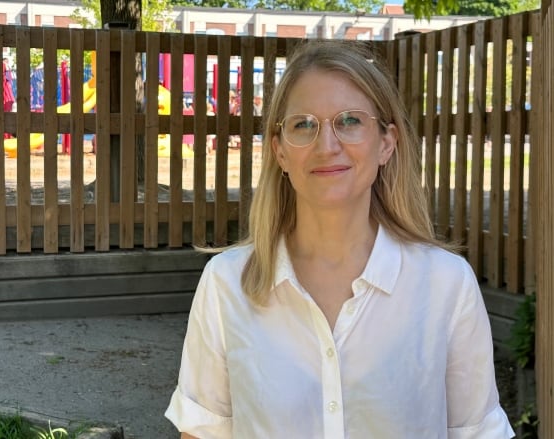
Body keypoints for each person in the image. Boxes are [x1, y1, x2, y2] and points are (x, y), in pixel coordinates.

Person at [164, 41, 513, 438]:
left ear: (386, 143)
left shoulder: (446, 285)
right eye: (304, 124)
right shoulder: (226, 283)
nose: (326, 146)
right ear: (279, 151)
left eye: (349, 121)